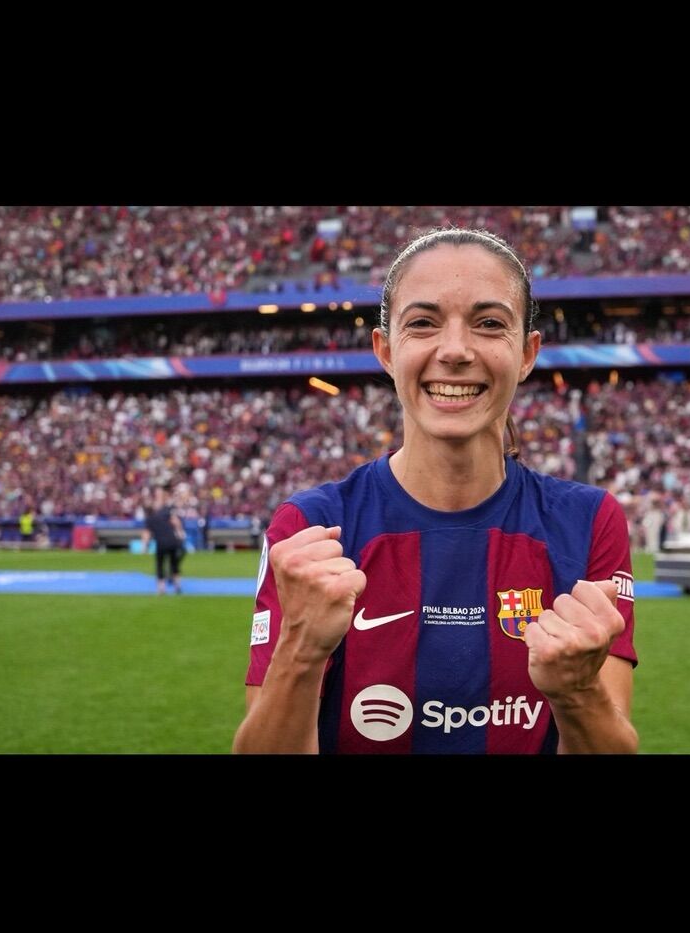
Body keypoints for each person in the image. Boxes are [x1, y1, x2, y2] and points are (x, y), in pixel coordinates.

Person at [232, 228, 638, 755]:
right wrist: (301, 650)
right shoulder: (308, 528)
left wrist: (578, 693)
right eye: (423, 323)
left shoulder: (589, 521)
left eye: (489, 324)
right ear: (385, 350)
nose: (455, 351)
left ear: (527, 353)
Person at [140, 486, 186, 595]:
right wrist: (180, 532)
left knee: (160, 565)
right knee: (174, 564)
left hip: (161, 543)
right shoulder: (165, 513)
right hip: (173, 541)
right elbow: (176, 522)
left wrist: (144, 547)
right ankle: (177, 586)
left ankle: (161, 588)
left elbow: (146, 534)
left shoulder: (150, 519)